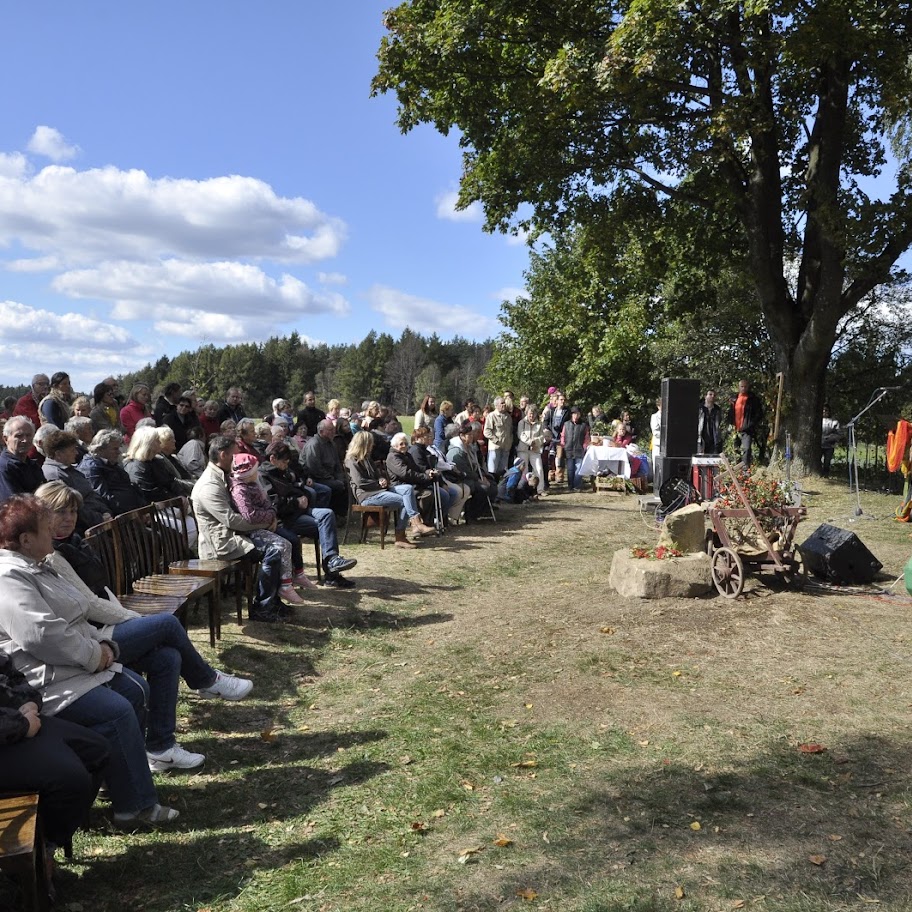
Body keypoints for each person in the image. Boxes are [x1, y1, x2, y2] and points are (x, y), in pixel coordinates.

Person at [0, 496, 182, 825]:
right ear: (26, 540)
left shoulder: (40, 564)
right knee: (116, 710)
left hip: (67, 665)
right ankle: (135, 807)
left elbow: (78, 614)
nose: (54, 530)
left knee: (135, 688)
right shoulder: (9, 576)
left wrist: (101, 643)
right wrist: (94, 654)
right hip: (42, 679)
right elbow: (42, 635)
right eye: (45, 528)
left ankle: (119, 781)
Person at [0, 650, 108, 883]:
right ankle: (28, 861)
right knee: (72, 779)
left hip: (15, 723)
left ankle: (45, 842)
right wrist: (19, 724)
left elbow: (10, 673)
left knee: (96, 751)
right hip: (8, 733)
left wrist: (28, 701)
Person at [259, 441, 358, 588]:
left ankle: (332, 561)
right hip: (285, 519)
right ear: (272, 459)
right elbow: (275, 504)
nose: (287, 464)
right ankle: (331, 573)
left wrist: (302, 495)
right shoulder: (264, 476)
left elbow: (296, 486)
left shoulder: (282, 471)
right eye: (284, 461)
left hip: (299, 512)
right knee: (325, 526)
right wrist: (296, 502)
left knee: (327, 514)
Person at [228, 453, 313, 605]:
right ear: (248, 473)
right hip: (250, 530)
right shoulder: (239, 490)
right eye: (255, 470)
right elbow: (250, 515)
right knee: (282, 545)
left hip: (265, 523)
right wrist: (269, 516)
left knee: (289, 541)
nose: (258, 473)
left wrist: (271, 514)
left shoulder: (254, 485)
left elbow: (268, 503)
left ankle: (288, 582)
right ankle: (283, 587)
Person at [345, 432, 430, 549]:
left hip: (379, 490)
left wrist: (381, 478)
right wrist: (378, 484)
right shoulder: (352, 460)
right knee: (404, 501)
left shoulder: (367, 458)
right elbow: (360, 482)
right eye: (370, 443)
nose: (372, 445)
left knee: (407, 489)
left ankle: (415, 522)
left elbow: (377, 474)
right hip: (367, 496)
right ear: (363, 443)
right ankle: (402, 534)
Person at [40, 429, 112, 532]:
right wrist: (100, 519)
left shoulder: (72, 470)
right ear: (59, 454)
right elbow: (73, 507)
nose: (76, 453)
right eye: (72, 450)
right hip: (88, 528)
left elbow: (92, 494)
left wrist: (106, 512)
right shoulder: (54, 475)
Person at [387, 431, 453, 527]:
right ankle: (422, 523)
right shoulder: (393, 457)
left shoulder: (407, 455)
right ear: (395, 445)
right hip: (399, 486)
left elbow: (417, 469)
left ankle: (429, 522)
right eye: (401, 444)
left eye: (405, 443)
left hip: (411, 484)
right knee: (428, 494)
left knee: (435, 493)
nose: (404, 445)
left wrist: (428, 472)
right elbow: (405, 473)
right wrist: (425, 477)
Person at [78, 429, 148, 516]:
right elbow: (102, 496)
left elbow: (129, 487)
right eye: (115, 449)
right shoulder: (91, 468)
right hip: (121, 518)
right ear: (100, 449)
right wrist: (132, 513)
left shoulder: (111, 463)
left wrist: (142, 508)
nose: (119, 452)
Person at [409, 426, 469, 523]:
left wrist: (442, 483)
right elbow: (422, 468)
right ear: (417, 438)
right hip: (422, 483)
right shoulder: (416, 451)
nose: (429, 438)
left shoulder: (426, 450)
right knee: (445, 495)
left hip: (432, 480)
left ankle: (440, 518)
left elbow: (433, 467)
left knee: (452, 493)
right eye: (426, 436)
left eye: (429, 436)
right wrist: (437, 479)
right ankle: (434, 519)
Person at [447, 421, 498, 521]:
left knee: (492, 484)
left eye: (471, 434)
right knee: (482, 488)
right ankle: (470, 514)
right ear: (462, 435)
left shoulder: (470, 447)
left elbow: (476, 465)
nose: (471, 437)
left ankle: (482, 510)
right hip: (459, 478)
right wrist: (479, 479)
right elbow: (464, 470)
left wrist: (482, 476)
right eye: (469, 435)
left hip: (472, 476)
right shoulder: (456, 451)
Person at [302, 418, 348, 515]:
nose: (333, 432)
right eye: (330, 430)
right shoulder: (314, 444)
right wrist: (331, 478)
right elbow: (314, 468)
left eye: (333, 429)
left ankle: (340, 514)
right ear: (321, 431)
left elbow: (337, 464)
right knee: (336, 486)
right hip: (316, 478)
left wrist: (340, 477)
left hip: (329, 476)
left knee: (346, 483)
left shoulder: (331, 443)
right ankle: (325, 514)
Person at [0, 416, 45, 502]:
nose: (25, 440)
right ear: (6, 439)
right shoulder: (4, 468)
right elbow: (14, 505)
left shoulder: (33, 465)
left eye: (28, 435)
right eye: (19, 436)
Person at [727, 379, 764, 467]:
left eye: (745, 386)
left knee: (746, 449)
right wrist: (730, 424)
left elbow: (759, 414)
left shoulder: (753, 399)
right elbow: (730, 413)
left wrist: (750, 424)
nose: (743, 388)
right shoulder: (734, 399)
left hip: (747, 429)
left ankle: (745, 469)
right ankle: (736, 469)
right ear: (738, 387)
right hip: (735, 430)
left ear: (748, 387)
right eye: (741, 386)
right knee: (735, 449)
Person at [517, 404, 547, 496]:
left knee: (539, 468)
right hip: (523, 449)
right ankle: (522, 489)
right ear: (527, 413)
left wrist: (535, 442)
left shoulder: (539, 424)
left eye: (533, 414)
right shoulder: (522, 422)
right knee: (523, 470)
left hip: (535, 450)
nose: (531, 416)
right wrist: (530, 442)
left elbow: (542, 437)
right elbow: (520, 434)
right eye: (530, 414)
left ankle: (540, 489)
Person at [561, 407, 591, 492]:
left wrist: (585, 446)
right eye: (574, 414)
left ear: (580, 415)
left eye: (577, 414)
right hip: (569, 449)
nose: (575, 415)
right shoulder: (566, 424)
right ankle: (570, 486)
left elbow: (586, 437)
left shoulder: (584, 425)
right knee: (570, 469)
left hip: (579, 449)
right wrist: (563, 444)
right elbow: (563, 435)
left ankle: (577, 486)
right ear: (571, 415)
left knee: (578, 469)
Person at [483, 396, 514, 477]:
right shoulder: (491, 416)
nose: (504, 405)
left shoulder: (508, 417)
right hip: (495, 447)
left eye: (504, 403)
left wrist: (510, 442)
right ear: (496, 405)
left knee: (502, 471)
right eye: (502, 403)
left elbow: (510, 431)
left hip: (506, 447)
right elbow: (486, 431)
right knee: (492, 470)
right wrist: (496, 440)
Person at [698, 389, 723, 455]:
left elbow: (719, 424)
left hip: (714, 439)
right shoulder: (699, 408)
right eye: (710, 394)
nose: (712, 396)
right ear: (705, 396)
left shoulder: (717, 410)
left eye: (714, 395)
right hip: (701, 438)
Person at [821, 404, 841, 477]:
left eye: (826, 410)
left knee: (827, 462)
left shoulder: (834, 422)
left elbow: (838, 434)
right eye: (823, 410)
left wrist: (830, 438)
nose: (824, 411)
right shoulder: (816, 421)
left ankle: (826, 475)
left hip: (829, 446)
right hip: (819, 445)